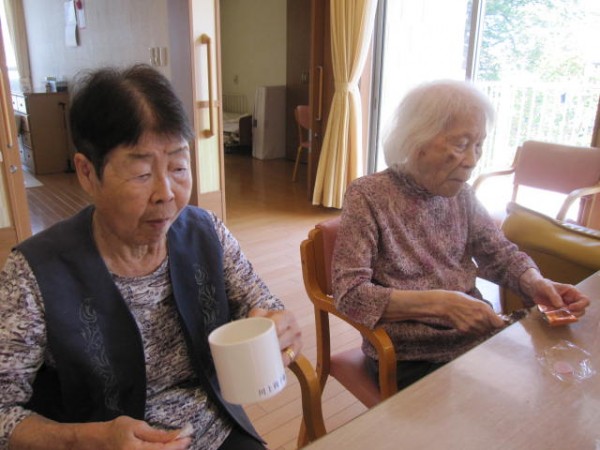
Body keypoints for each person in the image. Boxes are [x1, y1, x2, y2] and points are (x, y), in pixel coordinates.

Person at [0, 64, 302, 450]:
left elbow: (260, 303)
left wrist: (277, 325)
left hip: (218, 430)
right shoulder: (34, 273)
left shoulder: (206, 232)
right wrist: (86, 439)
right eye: (142, 174)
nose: (167, 193)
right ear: (87, 173)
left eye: (178, 167)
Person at [332, 79, 590, 390]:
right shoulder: (368, 196)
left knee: (559, 385)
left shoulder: (462, 195)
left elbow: (499, 254)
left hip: (478, 338)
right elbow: (350, 295)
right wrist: (441, 305)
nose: (472, 160)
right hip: (410, 356)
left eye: (478, 145)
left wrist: (535, 283)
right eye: (461, 144)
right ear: (417, 140)